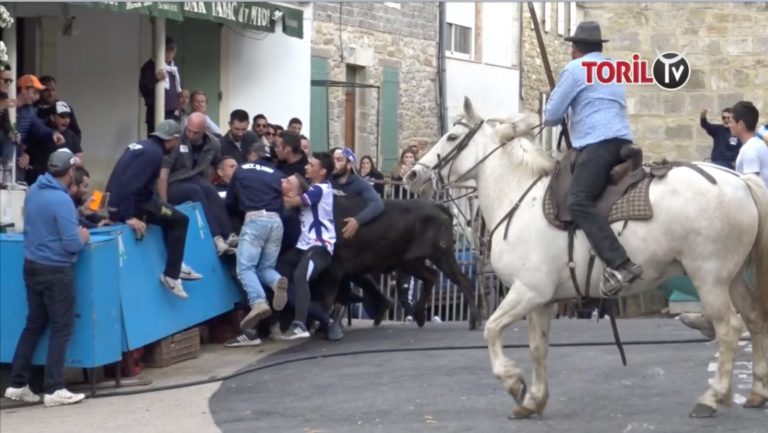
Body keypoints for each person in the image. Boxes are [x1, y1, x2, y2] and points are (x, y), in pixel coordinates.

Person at [543, 21, 642, 296]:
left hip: (598, 145)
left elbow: (551, 116)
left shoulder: (575, 70)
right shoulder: (614, 70)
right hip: (622, 142)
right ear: (600, 48)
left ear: (575, 49)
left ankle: (620, 263)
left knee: (578, 200)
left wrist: (558, 96)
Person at [4, 149, 89, 407]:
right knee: (62, 327)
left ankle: (17, 383)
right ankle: (54, 388)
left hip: (32, 266)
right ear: (70, 172)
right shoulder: (61, 201)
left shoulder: (34, 192)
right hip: (56, 270)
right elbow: (72, 243)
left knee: (34, 325)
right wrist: (83, 237)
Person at [105, 120, 201, 299]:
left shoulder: (141, 145)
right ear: (171, 139)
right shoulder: (154, 154)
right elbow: (130, 184)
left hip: (122, 201)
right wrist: (127, 216)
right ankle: (171, 275)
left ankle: (176, 262)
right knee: (180, 220)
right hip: (138, 205)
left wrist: (111, 209)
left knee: (169, 215)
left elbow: (118, 177)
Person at [226, 144, 289, 334]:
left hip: (255, 220)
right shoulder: (277, 174)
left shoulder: (242, 169)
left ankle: (258, 301)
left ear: (252, 154)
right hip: (276, 222)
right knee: (266, 268)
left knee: (245, 268)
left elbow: (230, 202)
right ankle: (277, 281)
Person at [159, 112, 236, 255]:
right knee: (196, 191)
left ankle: (229, 235)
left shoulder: (213, 144)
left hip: (194, 179)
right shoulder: (177, 141)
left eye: (196, 132)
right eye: (188, 130)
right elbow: (163, 174)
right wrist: (164, 204)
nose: (190, 135)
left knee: (210, 189)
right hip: (173, 183)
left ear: (204, 130)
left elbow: (216, 165)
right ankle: (216, 238)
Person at [280, 152, 337, 339]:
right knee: (280, 279)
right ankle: (325, 319)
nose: (306, 167)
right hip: (302, 247)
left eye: (311, 165)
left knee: (299, 275)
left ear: (322, 171)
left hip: (320, 247)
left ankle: (299, 326)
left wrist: (270, 191)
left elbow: (292, 202)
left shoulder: (321, 188)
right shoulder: (313, 188)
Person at [139, 37, 181, 135]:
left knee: (171, 142)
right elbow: (143, 88)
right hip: (155, 112)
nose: (171, 55)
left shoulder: (172, 68)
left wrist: (178, 107)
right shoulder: (150, 66)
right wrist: (156, 78)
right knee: (157, 140)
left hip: (172, 113)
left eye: (173, 52)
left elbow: (176, 89)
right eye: (168, 51)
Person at [732, 101, 768, 186]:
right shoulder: (758, 144)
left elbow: (752, 187)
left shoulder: (750, 149)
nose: (730, 125)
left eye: (731, 121)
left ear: (740, 124)